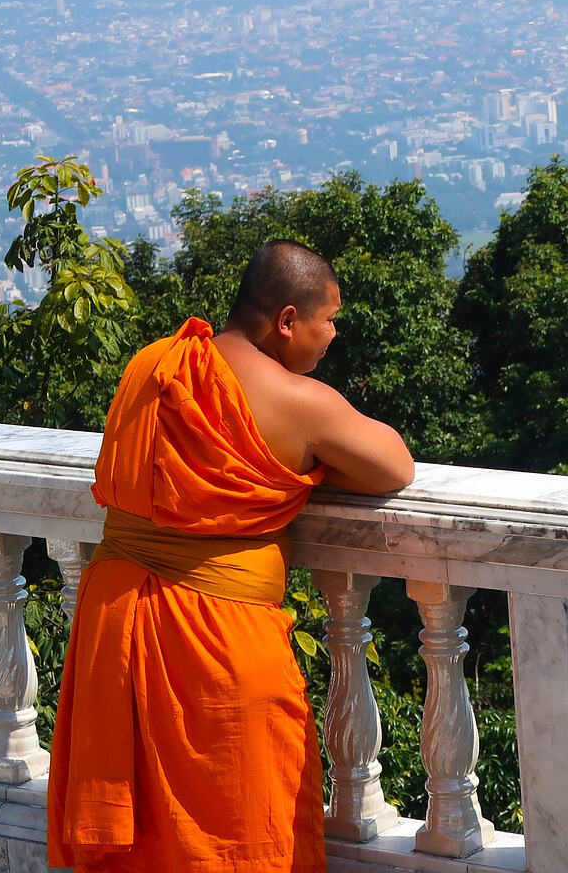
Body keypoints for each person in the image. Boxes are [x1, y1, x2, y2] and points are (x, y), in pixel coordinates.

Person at [47, 240, 415, 873]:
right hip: (218, 647)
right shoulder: (299, 401)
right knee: (238, 836)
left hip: (115, 630)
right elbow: (394, 467)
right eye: (328, 321)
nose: (332, 337)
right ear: (288, 320)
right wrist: (309, 467)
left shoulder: (152, 367)